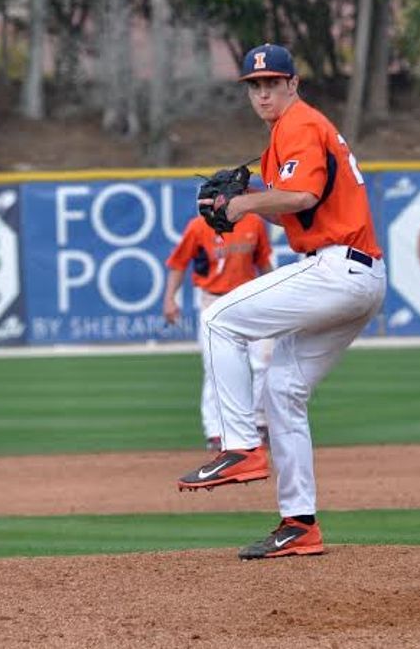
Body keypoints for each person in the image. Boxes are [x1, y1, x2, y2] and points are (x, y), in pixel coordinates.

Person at [176, 43, 386, 560]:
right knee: (283, 388)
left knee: (219, 317)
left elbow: (302, 198)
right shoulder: (285, 139)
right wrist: (248, 194)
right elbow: (295, 210)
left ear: (294, 84)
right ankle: (300, 523)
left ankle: (241, 448)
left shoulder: (299, 125)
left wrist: (243, 202)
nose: (264, 91)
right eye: (255, 85)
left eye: (273, 82)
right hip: (359, 274)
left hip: (337, 268)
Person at [164, 213, 274, 451]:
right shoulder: (198, 226)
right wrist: (169, 298)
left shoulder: (253, 222)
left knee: (265, 360)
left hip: (248, 300)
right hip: (213, 300)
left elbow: (264, 261)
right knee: (215, 367)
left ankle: (258, 422)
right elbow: (178, 263)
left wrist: (276, 294)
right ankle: (214, 431)